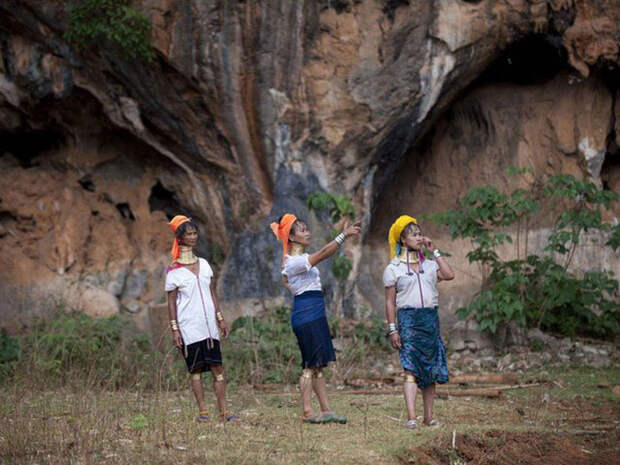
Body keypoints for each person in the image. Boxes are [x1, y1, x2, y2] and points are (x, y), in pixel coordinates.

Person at [271, 213, 361, 423]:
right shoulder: (294, 261)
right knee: (309, 365)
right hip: (307, 315)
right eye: (302, 230)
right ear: (291, 238)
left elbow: (287, 281)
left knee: (318, 364)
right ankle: (307, 411)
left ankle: (326, 410)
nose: (307, 232)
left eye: (306, 229)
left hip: (314, 312)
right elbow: (322, 253)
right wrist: (343, 236)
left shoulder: (294, 262)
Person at [383, 215, 455, 429]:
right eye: (413, 234)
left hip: (430, 320)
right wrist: (392, 329)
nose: (418, 237)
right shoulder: (393, 268)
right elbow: (389, 302)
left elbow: (449, 275)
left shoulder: (431, 265)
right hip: (408, 321)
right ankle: (412, 417)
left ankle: (429, 417)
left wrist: (435, 251)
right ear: (403, 240)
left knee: (431, 369)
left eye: (419, 233)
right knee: (411, 369)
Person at [165, 215, 238, 422]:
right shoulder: (174, 271)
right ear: (180, 238)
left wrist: (220, 317)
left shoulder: (204, 264)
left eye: (195, 233)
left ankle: (224, 412)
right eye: (188, 233)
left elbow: (211, 292)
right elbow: (171, 302)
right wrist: (175, 329)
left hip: (209, 328)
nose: (193, 236)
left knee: (217, 368)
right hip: (190, 327)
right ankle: (203, 413)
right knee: (196, 369)